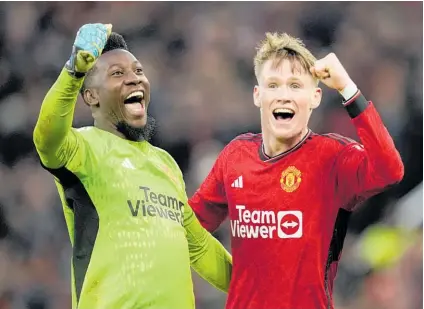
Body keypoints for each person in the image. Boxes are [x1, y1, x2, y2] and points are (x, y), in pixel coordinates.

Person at [189, 32, 404, 309]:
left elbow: (390, 170)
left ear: (314, 97)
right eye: (273, 85)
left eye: (295, 86)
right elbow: (190, 228)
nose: (284, 96)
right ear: (258, 95)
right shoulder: (235, 155)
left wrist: (348, 89)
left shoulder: (332, 157)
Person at [33, 23, 232, 309]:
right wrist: (74, 71)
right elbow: (46, 137)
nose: (134, 79)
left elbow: (199, 246)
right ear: (91, 96)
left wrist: (258, 286)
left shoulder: (164, 163)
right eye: (117, 74)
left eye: (138, 71)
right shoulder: (83, 148)